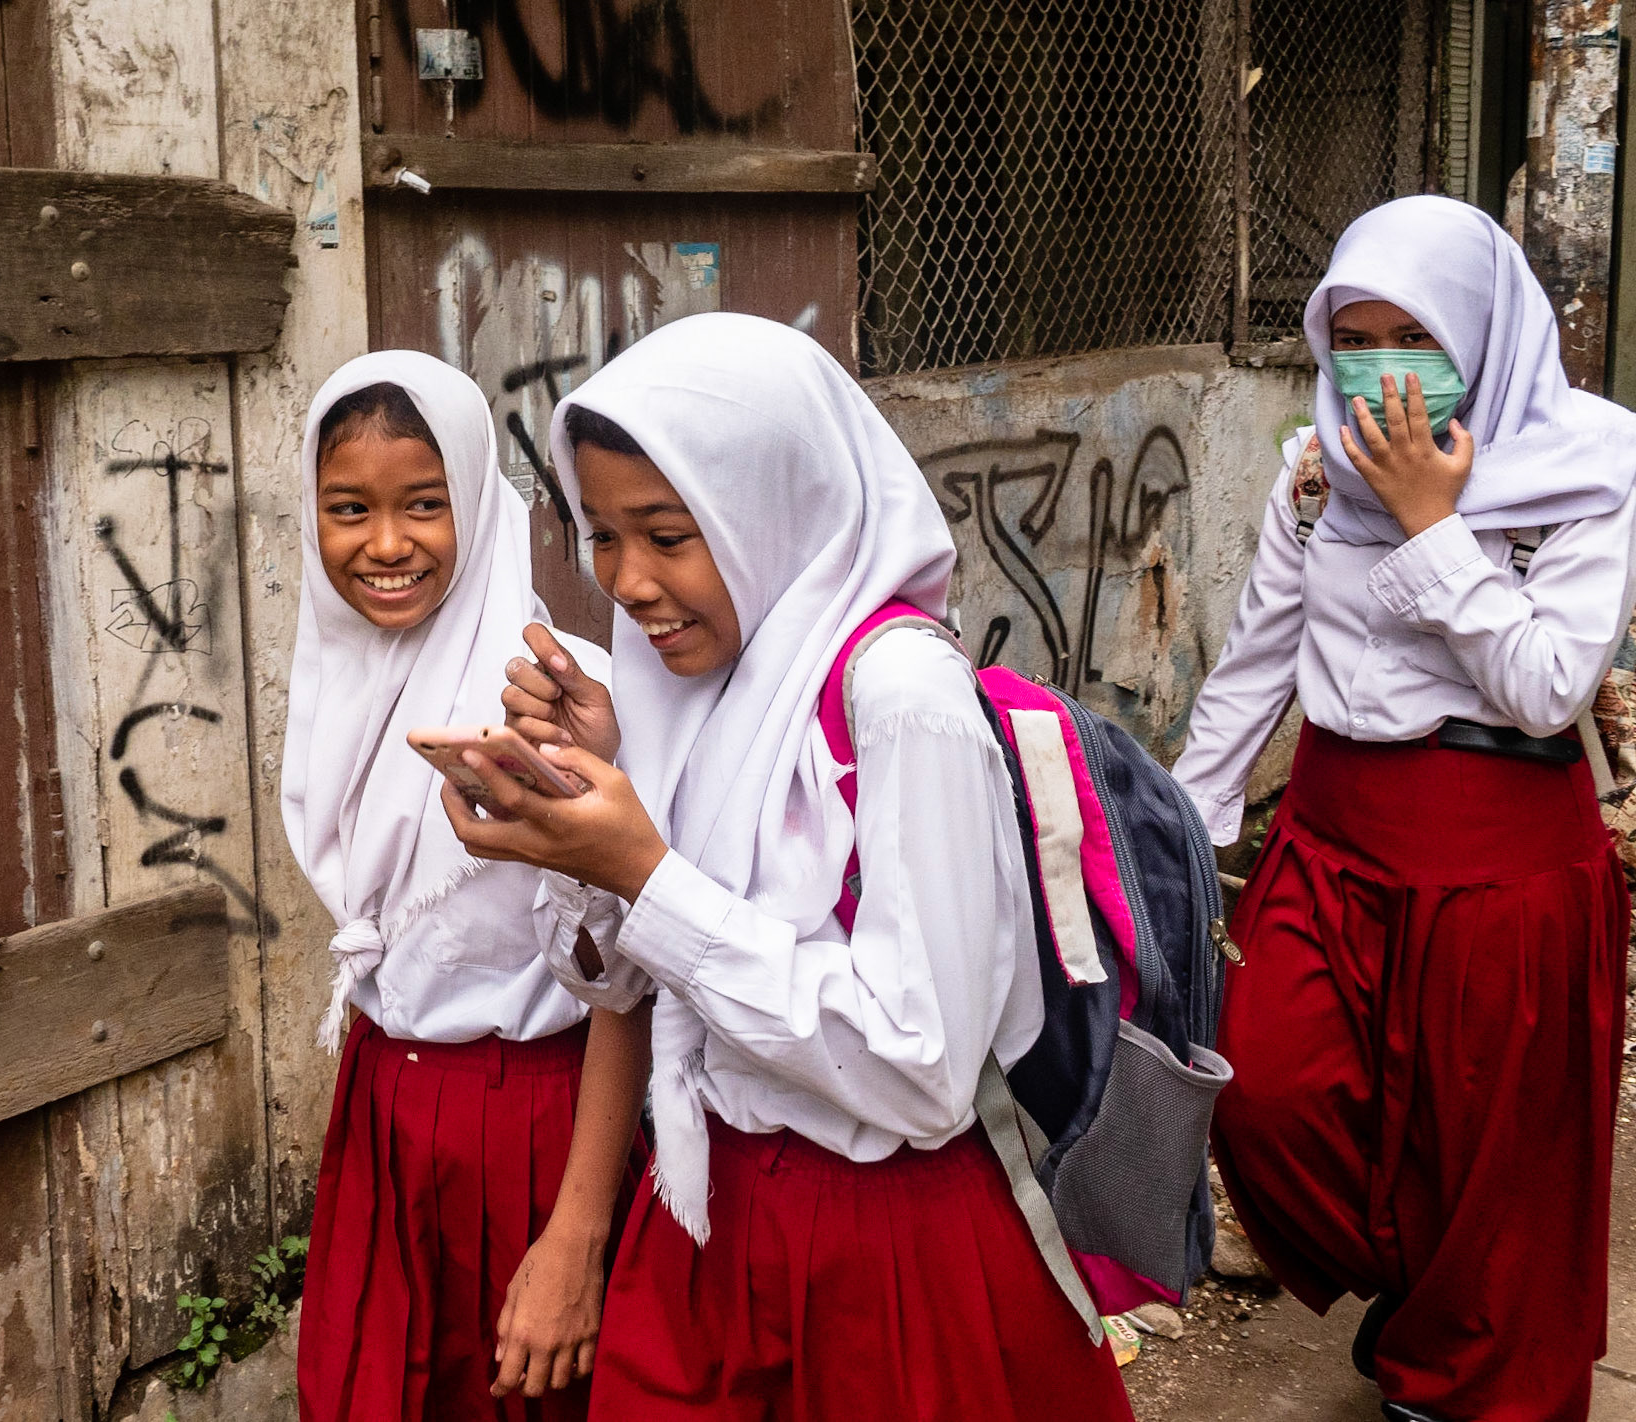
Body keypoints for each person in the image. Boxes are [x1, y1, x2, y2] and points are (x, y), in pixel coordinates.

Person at [439, 313, 1135, 1422]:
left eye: (669, 535)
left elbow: (918, 1068)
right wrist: (584, 804)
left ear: (776, 507)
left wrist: (649, 872)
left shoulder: (901, 700)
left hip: (885, 1258)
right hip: (710, 1220)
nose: (625, 580)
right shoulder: (695, 685)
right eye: (602, 535)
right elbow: (627, 985)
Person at [1172, 195, 1636, 1422]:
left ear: (1487, 331)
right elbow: (1255, 660)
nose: (1384, 367)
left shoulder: (1582, 473)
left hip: (1502, 856)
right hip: (1333, 840)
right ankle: (1412, 1284)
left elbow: (1549, 688)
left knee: (1492, 1163)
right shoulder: (1311, 475)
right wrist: (1185, 822)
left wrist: (1437, 525)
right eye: (1359, 336)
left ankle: (1463, 1380)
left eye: (1417, 333)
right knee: (1265, 1092)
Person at [282, 351, 649, 1421]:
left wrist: (576, 1238)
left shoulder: (563, 699)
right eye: (349, 507)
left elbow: (628, 979)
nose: (386, 544)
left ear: (479, 508)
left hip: (535, 1130)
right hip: (385, 1120)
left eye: (424, 507)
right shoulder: (334, 686)